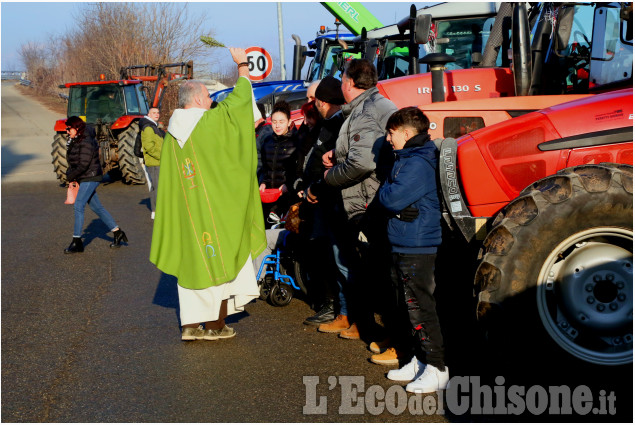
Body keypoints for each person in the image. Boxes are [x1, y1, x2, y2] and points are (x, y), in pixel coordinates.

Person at [150, 48, 266, 341]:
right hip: (216, 212)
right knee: (222, 259)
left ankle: (190, 326)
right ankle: (215, 326)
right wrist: (241, 65)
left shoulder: (173, 133)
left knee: (192, 264)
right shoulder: (207, 124)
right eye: (209, 97)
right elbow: (238, 107)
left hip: (188, 216)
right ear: (199, 100)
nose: (212, 101)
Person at [318, 59, 397, 341]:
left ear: (350, 83)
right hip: (369, 197)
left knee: (373, 270)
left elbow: (362, 163)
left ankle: (385, 335)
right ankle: (364, 324)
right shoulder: (370, 106)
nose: (341, 85)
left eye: (342, 80)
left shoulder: (366, 112)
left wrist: (329, 177)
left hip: (368, 200)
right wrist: (337, 156)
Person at [378, 107, 448, 393]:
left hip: (417, 245)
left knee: (420, 307)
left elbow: (389, 198)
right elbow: (392, 197)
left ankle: (437, 367)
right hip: (404, 241)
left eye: (391, 133)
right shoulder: (406, 158)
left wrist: (389, 198)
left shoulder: (417, 162)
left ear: (406, 134)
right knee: (406, 306)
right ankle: (418, 360)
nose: (387, 139)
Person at [300, 76, 347, 326]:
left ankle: (336, 307)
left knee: (332, 255)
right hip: (319, 197)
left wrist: (316, 187)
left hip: (329, 199)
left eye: (314, 99)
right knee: (322, 251)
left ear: (323, 101)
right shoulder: (326, 124)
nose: (312, 103)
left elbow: (333, 163)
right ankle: (331, 304)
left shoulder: (339, 125)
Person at [64, 116, 127, 254]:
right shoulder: (75, 140)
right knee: (97, 207)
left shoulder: (86, 141)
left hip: (91, 176)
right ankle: (117, 232)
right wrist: (71, 174)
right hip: (84, 176)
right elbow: (73, 161)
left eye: (69, 128)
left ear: (76, 127)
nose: (67, 131)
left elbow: (84, 163)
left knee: (78, 206)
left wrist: (71, 176)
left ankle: (77, 241)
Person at [259, 100, 300, 226]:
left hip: (287, 197)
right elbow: (265, 168)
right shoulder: (267, 141)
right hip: (268, 196)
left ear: (289, 122)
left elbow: (298, 170)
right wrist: (263, 182)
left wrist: (288, 185)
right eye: (274, 122)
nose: (277, 126)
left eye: (281, 122)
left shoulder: (296, 141)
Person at [139, 107, 165, 219]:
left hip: (157, 160)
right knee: (157, 186)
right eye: (153, 113)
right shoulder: (148, 128)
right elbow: (149, 147)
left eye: (158, 112)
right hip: (154, 162)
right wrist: (162, 157)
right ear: (148, 114)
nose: (156, 114)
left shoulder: (154, 126)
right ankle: (155, 211)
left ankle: (158, 209)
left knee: (158, 185)